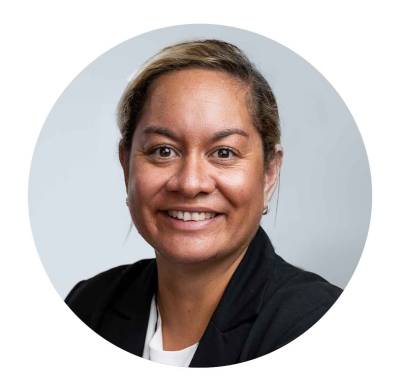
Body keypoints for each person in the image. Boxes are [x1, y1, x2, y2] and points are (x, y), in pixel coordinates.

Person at [66, 39, 342, 367]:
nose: (190, 183)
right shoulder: (89, 306)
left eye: (223, 153)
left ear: (269, 172)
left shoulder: (317, 324)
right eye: (163, 150)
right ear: (126, 164)